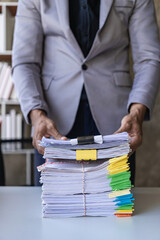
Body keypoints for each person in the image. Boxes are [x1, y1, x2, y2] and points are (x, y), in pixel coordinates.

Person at [12, 0, 160, 186]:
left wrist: (137, 113)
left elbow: (148, 59)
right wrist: (36, 115)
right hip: (51, 125)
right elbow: (24, 62)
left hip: (117, 125)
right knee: (53, 209)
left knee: (116, 207)